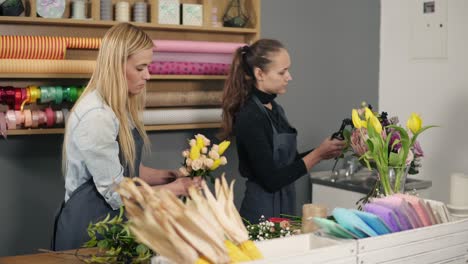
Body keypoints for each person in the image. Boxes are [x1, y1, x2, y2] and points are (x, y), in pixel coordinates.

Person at [52, 23, 200, 250]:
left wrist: (166, 176)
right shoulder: (97, 116)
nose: (148, 75)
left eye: (148, 67)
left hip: (113, 223)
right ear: (116, 66)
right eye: (140, 68)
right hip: (89, 229)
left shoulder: (117, 108)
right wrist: (176, 189)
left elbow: (124, 171)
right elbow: (117, 193)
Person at [220, 39, 346, 224]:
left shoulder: (275, 109)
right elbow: (271, 179)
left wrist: (323, 151)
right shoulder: (250, 116)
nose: (289, 77)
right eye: (282, 72)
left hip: (286, 205)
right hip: (261, 212)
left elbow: (287, 164)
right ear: (259, 73)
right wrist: (317, 155)